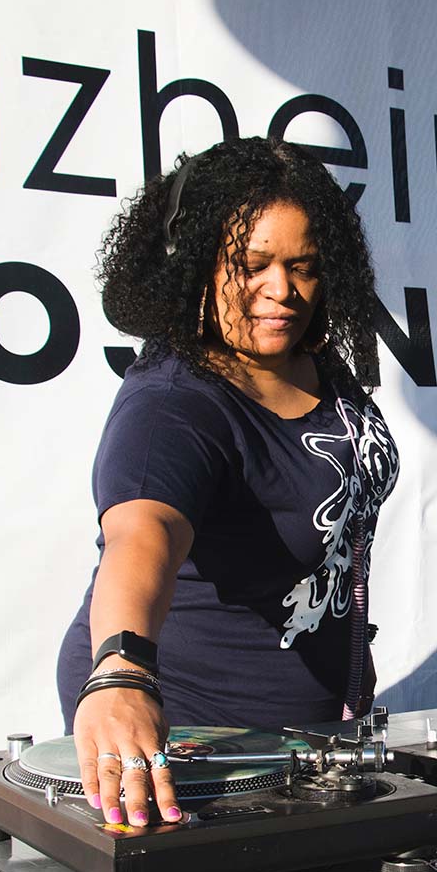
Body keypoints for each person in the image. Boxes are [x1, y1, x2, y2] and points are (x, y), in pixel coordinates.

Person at [56, 137, 399, 828]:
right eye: (253, 265)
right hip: (199, 741)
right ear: (195, 264)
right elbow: (140, 532)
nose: (283, 291)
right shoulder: (173, 402)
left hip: (314, 740)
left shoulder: (313, 360)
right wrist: (122, 673)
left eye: (304, 266)